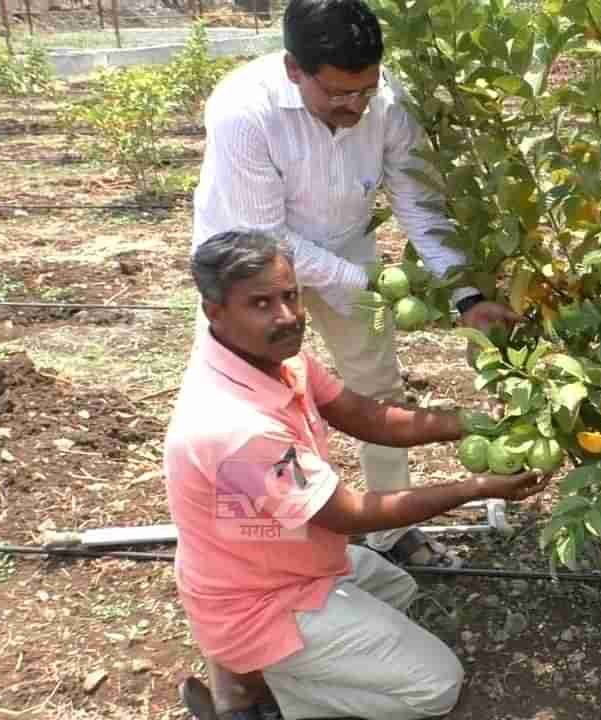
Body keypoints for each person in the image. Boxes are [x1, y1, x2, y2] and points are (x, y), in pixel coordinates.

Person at [167, 230, 550, 720]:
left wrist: (472, 424)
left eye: (290, 296)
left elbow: (366, 417)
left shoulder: (275, 360)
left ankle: (259, 669)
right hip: (257, 602)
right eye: (260, 303)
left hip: (284, 561)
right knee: (436, 687)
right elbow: (348, 515)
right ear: (214, 311)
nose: (286, 316)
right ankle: (256, 697)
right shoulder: (233, 425)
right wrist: (475, 487)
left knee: (399, 589)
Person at [192, 0, 518, 567]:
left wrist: (464, 293)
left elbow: (418, 202)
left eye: (364, 91)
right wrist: (367, 282)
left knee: (377, 381)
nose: (355, 106)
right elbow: (268, 237)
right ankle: (257, 558)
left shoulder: (388, 103)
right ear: (295, 69)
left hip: (353, 266)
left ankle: (391, 535)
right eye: (339, 94)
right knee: (243, 401)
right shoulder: (243, 110)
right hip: (249, 277)